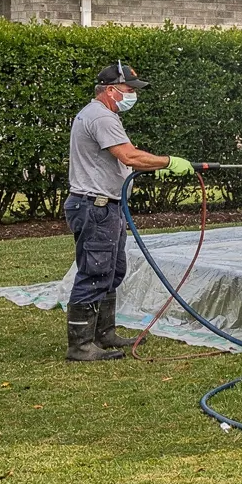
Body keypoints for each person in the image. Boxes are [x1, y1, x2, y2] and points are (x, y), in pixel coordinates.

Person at [63, 63, 192, 362]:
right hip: (95, 206)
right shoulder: (101, 116)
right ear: (110, 90)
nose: (133, 95)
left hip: (107, 205)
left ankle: (103, 333)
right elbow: (129, 155)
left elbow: (122, 160)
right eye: (129, 89)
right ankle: (80, 346)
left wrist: (153, 165)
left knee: (112, 270)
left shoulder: (102, 115)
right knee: (94, 272)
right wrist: (168, 161)